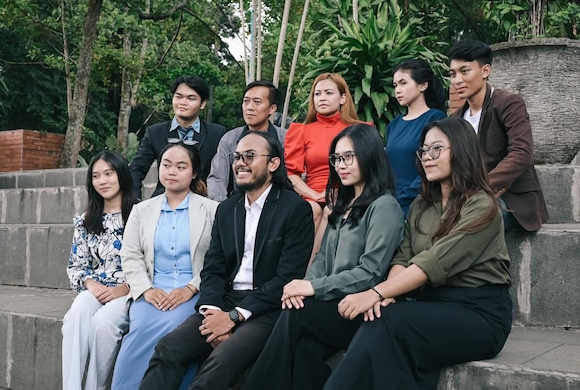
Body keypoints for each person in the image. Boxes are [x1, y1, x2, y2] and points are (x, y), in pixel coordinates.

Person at [323, 118, 513, 390]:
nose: (427, 157)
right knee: (381, 324)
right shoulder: (422, 204)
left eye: (436, 149)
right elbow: (403, 257)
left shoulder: (483, 206)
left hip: (480, 313)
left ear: (461, 150)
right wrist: (389, 293)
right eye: (423, 151)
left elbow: (432, 262)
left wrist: (376, 293)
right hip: (433, 304)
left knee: (386, 324)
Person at [138, 131, 314, 390]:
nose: (240, 163)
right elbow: (213, 268)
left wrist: (233, 318)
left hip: (267, 308)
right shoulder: (227, 208)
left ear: (273, 164)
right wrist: (213, 311)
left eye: (250, 156)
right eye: (237, 157)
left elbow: (286, 279)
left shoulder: (295, 209)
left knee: (219, 363)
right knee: (168, 348)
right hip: (224, 302)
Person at [241, 124, 404, 390]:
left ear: (369, 155)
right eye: (337, 158)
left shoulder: (384, 207)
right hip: (331, 304)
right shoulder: (342, 206)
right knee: (304, 348)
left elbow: (370, 273)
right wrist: (302, 287)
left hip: (361, 308)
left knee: (296, 316)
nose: (341, 165)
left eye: (349, 157)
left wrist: (313, 287)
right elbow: (321, 260)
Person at [111, 141, 218, 390]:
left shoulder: (213, 210)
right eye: (167, 165)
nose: (172, 171)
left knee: (174, 329)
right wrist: (147, 290)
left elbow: (217, 259)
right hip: (151, 291)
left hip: (193, 290)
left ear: (193, 173)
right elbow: (130, 255)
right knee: (137, 333)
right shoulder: (141, 210)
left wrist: (191, 289)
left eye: (181, 167)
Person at [448, 40, 548, 231]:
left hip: (512, 200)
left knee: (472, 219)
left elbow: (521, 153)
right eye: (453, 74)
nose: (457, 80)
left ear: (485, 71)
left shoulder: (508, 103)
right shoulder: (455, 120)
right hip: (468, 198)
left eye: (464, 71)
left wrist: (481, 187)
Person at [62, 150, 137, 390]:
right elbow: (76, 265)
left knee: (103, 324)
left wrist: (125, 288)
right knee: (76, 315)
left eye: (109, 173)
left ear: (121, 175)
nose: (102, 181)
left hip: (129, 291)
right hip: (95, 287)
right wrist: (89, 284)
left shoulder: (141, 215)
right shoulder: (86, 220)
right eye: (96, 176)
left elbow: (151, 264)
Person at [284, 72, 363, 259]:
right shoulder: (301, 130)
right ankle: (300, 269)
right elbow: (292, 174)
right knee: (312, 209)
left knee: (330, 210)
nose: (322, 98)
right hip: (312, 193)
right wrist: (314, 195)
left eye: (328, 93)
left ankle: (310, 271)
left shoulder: (360, 130)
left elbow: (366, 169)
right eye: (317, 94)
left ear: (343, 98)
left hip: (348, 192)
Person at [129, 75, 227, 199]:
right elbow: (136, 169)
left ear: (202, 104)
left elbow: (223, 175)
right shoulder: (155, 132)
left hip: (202, 204)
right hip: (163, 203)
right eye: (178, 97)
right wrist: (134, 202)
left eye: (191, 98)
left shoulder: (217, 134)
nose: (183, 103)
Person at [386, 59, 448, 216]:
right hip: (391, 201)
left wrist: (406, 199)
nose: (398, 90)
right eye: (395, 85)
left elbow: (435, 161)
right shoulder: (393, 125)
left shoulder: (435, 118)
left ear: (423, 85)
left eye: (403, 83)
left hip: (420, 201)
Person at [207, 80, 287, 201]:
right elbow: (217, 178)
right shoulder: (230, 139)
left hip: (279, 204)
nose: (249, 107)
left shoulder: (285, 139)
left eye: (257, 102)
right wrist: (222, 208)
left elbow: (298, 177)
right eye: (246, 101)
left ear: (272, 108)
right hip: (238, 204)